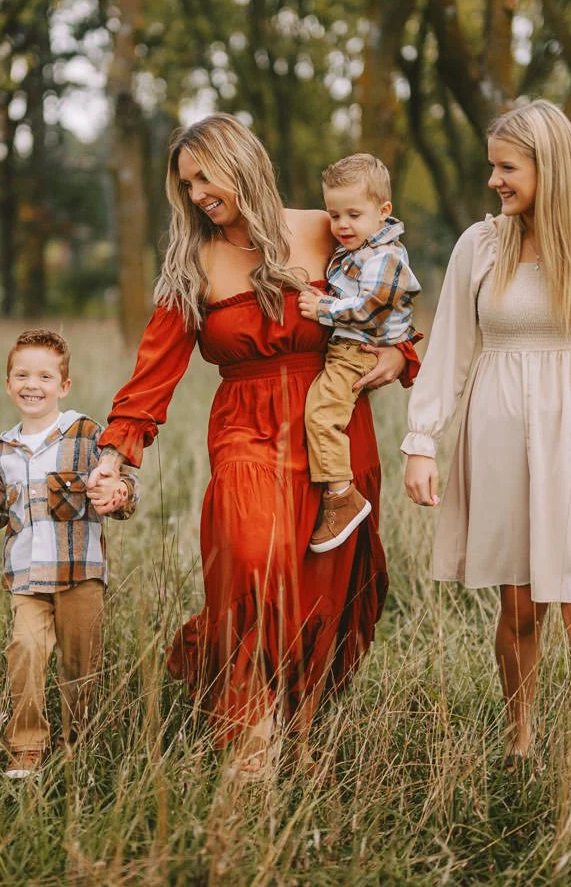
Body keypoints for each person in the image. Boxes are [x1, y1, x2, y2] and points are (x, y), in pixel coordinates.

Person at [85, 114, 418, 778]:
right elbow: (153, 373)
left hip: (333, 430)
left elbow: (387, 306)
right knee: (249, 561)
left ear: (243, 162)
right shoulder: (192, 263)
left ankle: (297, 730)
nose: (199, 193)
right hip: (245, 425)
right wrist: (114, 454)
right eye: (187, 184)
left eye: (207, 175)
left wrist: (400, 357)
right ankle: (250, 745)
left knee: (325, 591)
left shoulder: (328, 228)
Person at [401, 100, 571, 838]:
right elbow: (450, 344)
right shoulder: (479, 247)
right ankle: (518, 745)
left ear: (550, 167)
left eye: (507, 167)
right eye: (493, 165)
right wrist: (422, 438)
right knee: (518, 608)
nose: (494, 181)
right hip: (500, 435)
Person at [0, 330, 138, 780]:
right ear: (8, 383)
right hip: (27, 580)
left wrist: (120, 491)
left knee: (79, 666)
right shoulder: (1, 451)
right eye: (22, 375)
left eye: (45, 376)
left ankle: (79, 746)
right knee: (25, 651)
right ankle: (26, 748)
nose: (33, 384)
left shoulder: (87, 435)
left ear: (63, 386)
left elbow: (124, 491)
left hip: (80, 575)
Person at [296, 153, 420, 553]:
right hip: (348, 347)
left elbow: (370, 309)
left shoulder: (385, 257)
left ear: (383, 211)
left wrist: (323, 309)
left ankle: (341, 495)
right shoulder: (358, 249)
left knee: (321, 415)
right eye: (335, 215)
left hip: (358, 349)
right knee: (321, 413)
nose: (342, 225)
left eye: (353, 214)